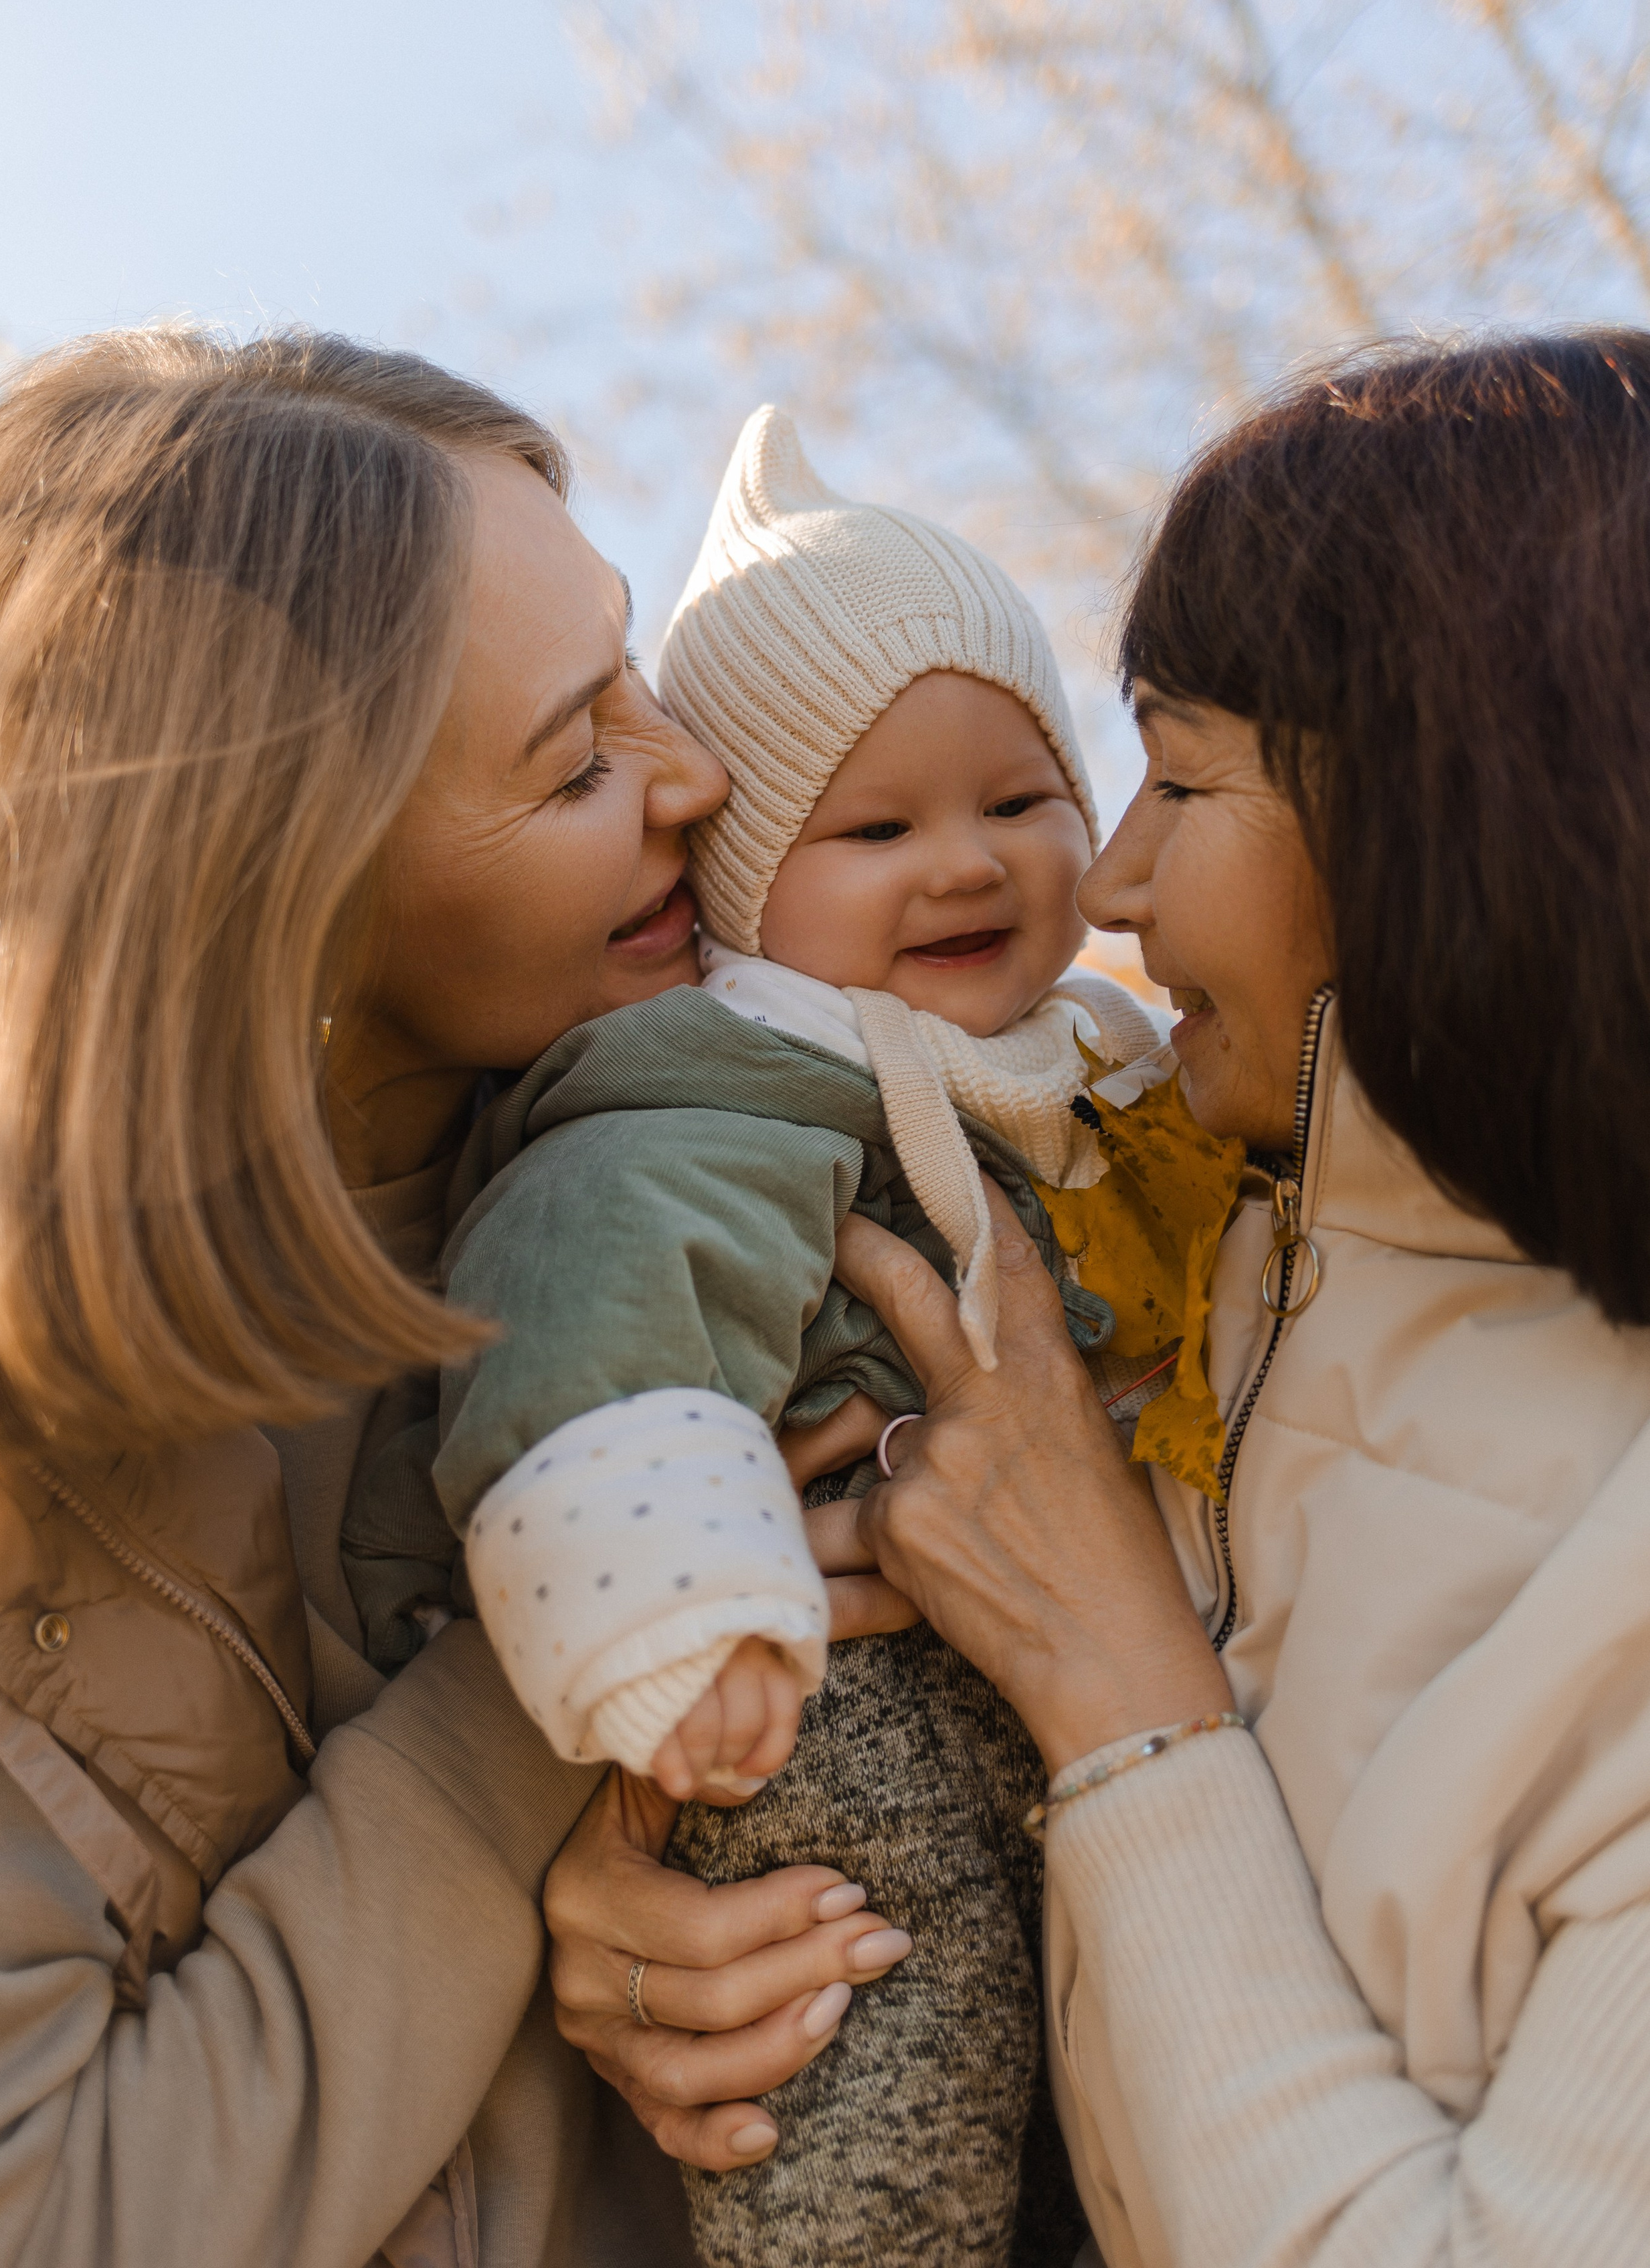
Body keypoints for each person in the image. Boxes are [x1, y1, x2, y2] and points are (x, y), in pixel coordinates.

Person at [546, 329, 1650, 2266]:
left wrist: (1120, 1693)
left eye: (1180, 780)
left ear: (1447, 797)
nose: (1112, 884)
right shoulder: (1208, 1238)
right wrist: (635, 1893)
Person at [0, 327, 915, 2267]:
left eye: (632, 666)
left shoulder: (764, 1137)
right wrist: (534, 1738)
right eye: (575, 760)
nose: (694, 773)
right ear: (277, 884)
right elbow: (38, 2215)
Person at [351, 404, 1234, 2267]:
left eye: (1020, 803)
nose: (970, 865)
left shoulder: (1117, 1066)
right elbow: (603, 1309)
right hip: (827, 1695)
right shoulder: (726, 1092)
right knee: (866, 2007)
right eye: (878, 827)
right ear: (748, 878)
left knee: (1107, 2078)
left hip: (1086, 1686)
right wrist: (671, 1606)